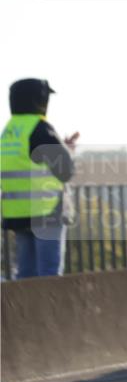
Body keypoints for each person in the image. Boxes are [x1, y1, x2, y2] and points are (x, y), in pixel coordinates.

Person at [1, 79, 77, 278]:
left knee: (26, 275)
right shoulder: (40, 129)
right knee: (49, 276)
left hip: (18, 212)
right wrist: (69, 151)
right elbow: (66, 170)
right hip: (46, 211)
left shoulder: (8, 132)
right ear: (40, 100)